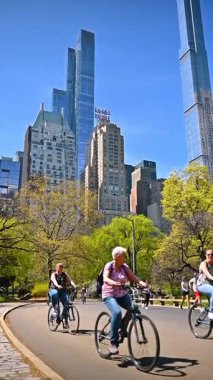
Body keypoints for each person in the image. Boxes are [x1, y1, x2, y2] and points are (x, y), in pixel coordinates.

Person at [102, 246, 146, 354]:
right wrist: (112, 282)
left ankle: (122, 328)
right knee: (116, 313)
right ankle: (113, 343)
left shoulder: (124, 266)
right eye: (123, 256)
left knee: (134, 309)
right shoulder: (109, 265)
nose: (125, 258)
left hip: (121, 294)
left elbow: (133, 277)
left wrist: (141, 283)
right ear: (117, 257)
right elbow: (105, 278)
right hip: (109, 294)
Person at [49, 263, 76, 328]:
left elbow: (70, 280)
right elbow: (54, 280)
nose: (59, 270)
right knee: (55, 294)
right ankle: (55, 311)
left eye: (61, 269)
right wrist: (57, 285)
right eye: (58, 269)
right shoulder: (53, 274)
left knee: (66, 305)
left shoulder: (65, 274)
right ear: (56, 268)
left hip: (62, 291)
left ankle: (65, 321)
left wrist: (74, 285)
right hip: (54, 289)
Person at [197, 249, 213, 319]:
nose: (210, 256)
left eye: (212, 254)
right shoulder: (204, 263)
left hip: (210, 285)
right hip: (202, 285)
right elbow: (206, 273)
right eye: (208, 254)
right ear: (206, 256)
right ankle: (211, 311)